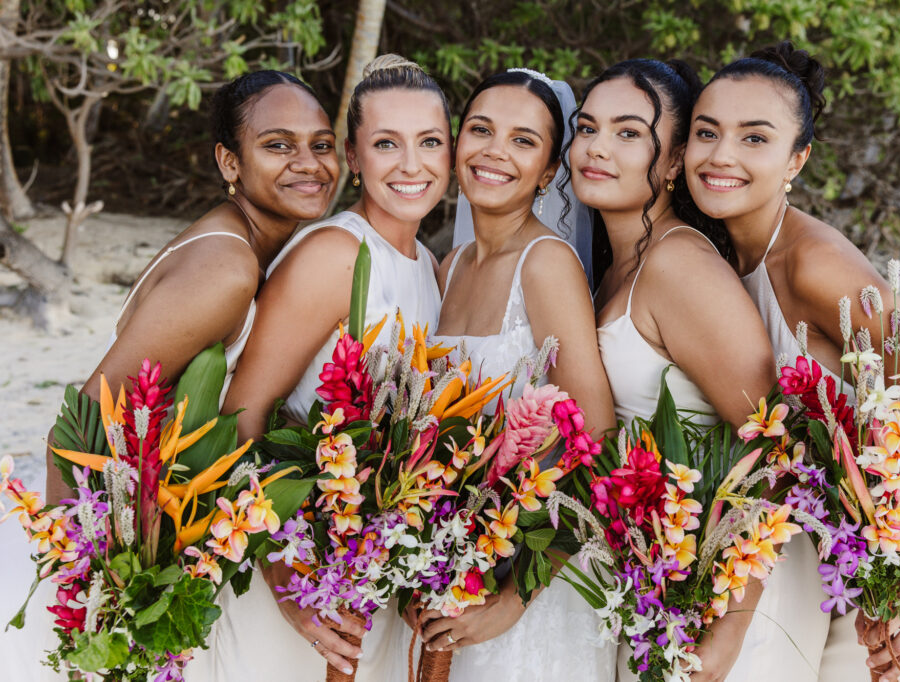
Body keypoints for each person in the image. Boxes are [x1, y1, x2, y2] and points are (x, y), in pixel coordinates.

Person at [683, 41, 900, 682]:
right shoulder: (717, 259)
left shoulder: (814, 265)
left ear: (796, 159)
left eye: (755, 139)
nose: (721, 155)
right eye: (706, 132)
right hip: (836, 574)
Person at [26, 70, 338, 682]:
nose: (309, 163)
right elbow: (78, 428)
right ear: (229, 160)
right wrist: (91, 597)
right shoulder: (224, 270)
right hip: (128, 570)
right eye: (278, 145)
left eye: (321, 144)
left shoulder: (257, 246)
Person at [572, 58, 829, 682]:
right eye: (586, 128)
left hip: (736, 598)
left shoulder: (678, 265)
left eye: (628, 132)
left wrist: (731, 630)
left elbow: (779, 449)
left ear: (672, 158)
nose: (597, 148)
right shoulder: (617, 266)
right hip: (669, 578)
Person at [211, 55, 452, 682]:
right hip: (297, 568)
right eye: (385, 144)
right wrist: (288, 582)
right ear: (352, 154)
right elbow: (241, 414)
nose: (411, 165)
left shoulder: (430, 267)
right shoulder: (335, 252)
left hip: (368, 574)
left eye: (430, 142)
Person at [414, 68, 618, 682]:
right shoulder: (448, 269)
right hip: (454, 569)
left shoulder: (546, 264)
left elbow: (597, 438)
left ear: (551, 172)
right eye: (481, 130)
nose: (495, 151)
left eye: (524, 141)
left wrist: (515, 598)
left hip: (532, 584)